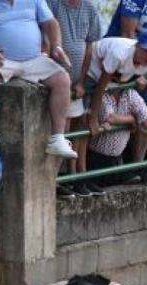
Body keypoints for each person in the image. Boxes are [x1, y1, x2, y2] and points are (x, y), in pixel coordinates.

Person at [0, 0, 79, 159]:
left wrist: (56, 46)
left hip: (33, 59)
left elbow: (51, 23)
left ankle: (58, 138)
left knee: (63, 79)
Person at [85, 31, 147, 181]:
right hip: (95, 70)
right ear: (137, 46)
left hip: (119, 81)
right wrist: (93, 117)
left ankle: (134, 170)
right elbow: (101, 85)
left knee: (145, 110)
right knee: (84, 120)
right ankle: (79, 177)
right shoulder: (119, 54)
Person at [47, 0, 104, 175]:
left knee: (74, 130)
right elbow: (45, 39)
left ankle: (65, 178)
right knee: (58, 133)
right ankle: (54, 180)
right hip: (53, 80)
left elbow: (89, 48)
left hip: (76, 82)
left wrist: (81, 80)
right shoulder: (52, 4)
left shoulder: (89, 9)